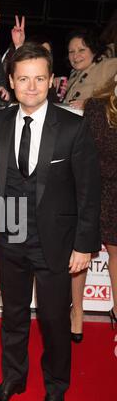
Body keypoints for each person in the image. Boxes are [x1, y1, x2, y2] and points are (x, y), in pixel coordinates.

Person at [0, 42, 101, 401]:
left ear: (51, 81)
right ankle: (13, 379)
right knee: (12, 316)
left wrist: (84, 244)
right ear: (12, 82)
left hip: (56, 243)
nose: (31, 87)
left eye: (40, 79)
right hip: (9, 237)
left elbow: (89, 191)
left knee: (52, 320)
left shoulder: (73, 126)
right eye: (24, 79)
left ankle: (55, 388)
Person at [70, 76, 117, 334]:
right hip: (93, 187)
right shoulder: (98, 106)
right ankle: (77, 310)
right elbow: (89, 155)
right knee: (81, 250)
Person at [63, 28, 117, 110]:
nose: (75, 56)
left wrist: (89, 105)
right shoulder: (75, 73)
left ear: (94, 50)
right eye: (71, 51)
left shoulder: (108, 66)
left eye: (81, 50)